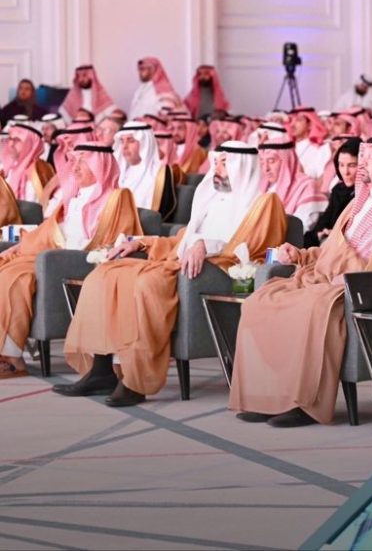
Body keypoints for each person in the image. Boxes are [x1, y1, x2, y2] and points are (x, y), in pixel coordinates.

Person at [58, 142, 287, 406]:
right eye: (215, 162)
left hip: (215, 271)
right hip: (179, 262)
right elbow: (182, 240)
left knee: (147, 283)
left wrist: (206, 245)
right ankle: (101, 370)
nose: (216, 169)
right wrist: (141, 243)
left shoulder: (264, 203)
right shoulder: (211, 198)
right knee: (104, 274)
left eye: (224, 163)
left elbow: (255, 244)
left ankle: (136, 381)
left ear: (242, 166)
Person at [228, 137, 372, 426]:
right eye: (364, 156)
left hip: (362, 288)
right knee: (260, 300)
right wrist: (300, 254)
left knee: (312, 306)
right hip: (326, 278)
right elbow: (330, 252)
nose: (363, 164)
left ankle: (305, 404)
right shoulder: (357, 204)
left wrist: (354, 278)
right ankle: (269, 398)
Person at [0, 143, 142, 379]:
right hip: (54, 260)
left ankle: (13, 359)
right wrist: (20, 246)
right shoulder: (74, 197)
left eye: (82, 161)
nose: (74, 167)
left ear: (100, 164)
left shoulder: (117, 197)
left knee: (15, 278)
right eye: (73, 161)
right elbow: (51, 232)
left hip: (79, 265)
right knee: (6, 268)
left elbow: (114, 241)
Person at [258, 138, 328, 232]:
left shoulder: (306, 187)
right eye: (262, 162)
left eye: (271, 161)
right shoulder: (267, 188)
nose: (266, 168)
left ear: (286, 160)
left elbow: (301, 229)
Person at [113, 123, 177, 221]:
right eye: (122, 141)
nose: (124, 146)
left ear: (145, 144)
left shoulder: (160, 174)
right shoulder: (119, 172)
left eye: (131, 141)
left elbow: (158, 214)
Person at [304, 138, 360, 247]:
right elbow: (323, 222)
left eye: (352, 165)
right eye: (341, 165)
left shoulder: (366, 195)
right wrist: (319, 234)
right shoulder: (338, 190)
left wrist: (335, 235)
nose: (345, 172)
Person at [1, 122, 54, 203]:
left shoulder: (40, 170)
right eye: (10, 139)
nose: (11, 144)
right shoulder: (7, 169)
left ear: (30, 143)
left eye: (17, 140)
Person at [288, 108, 332, 180]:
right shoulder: (288, 148)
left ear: (310, 125)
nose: (292, 125)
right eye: (291, 120)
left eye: (298, 120)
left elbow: (317, 177)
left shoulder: (319, 150)